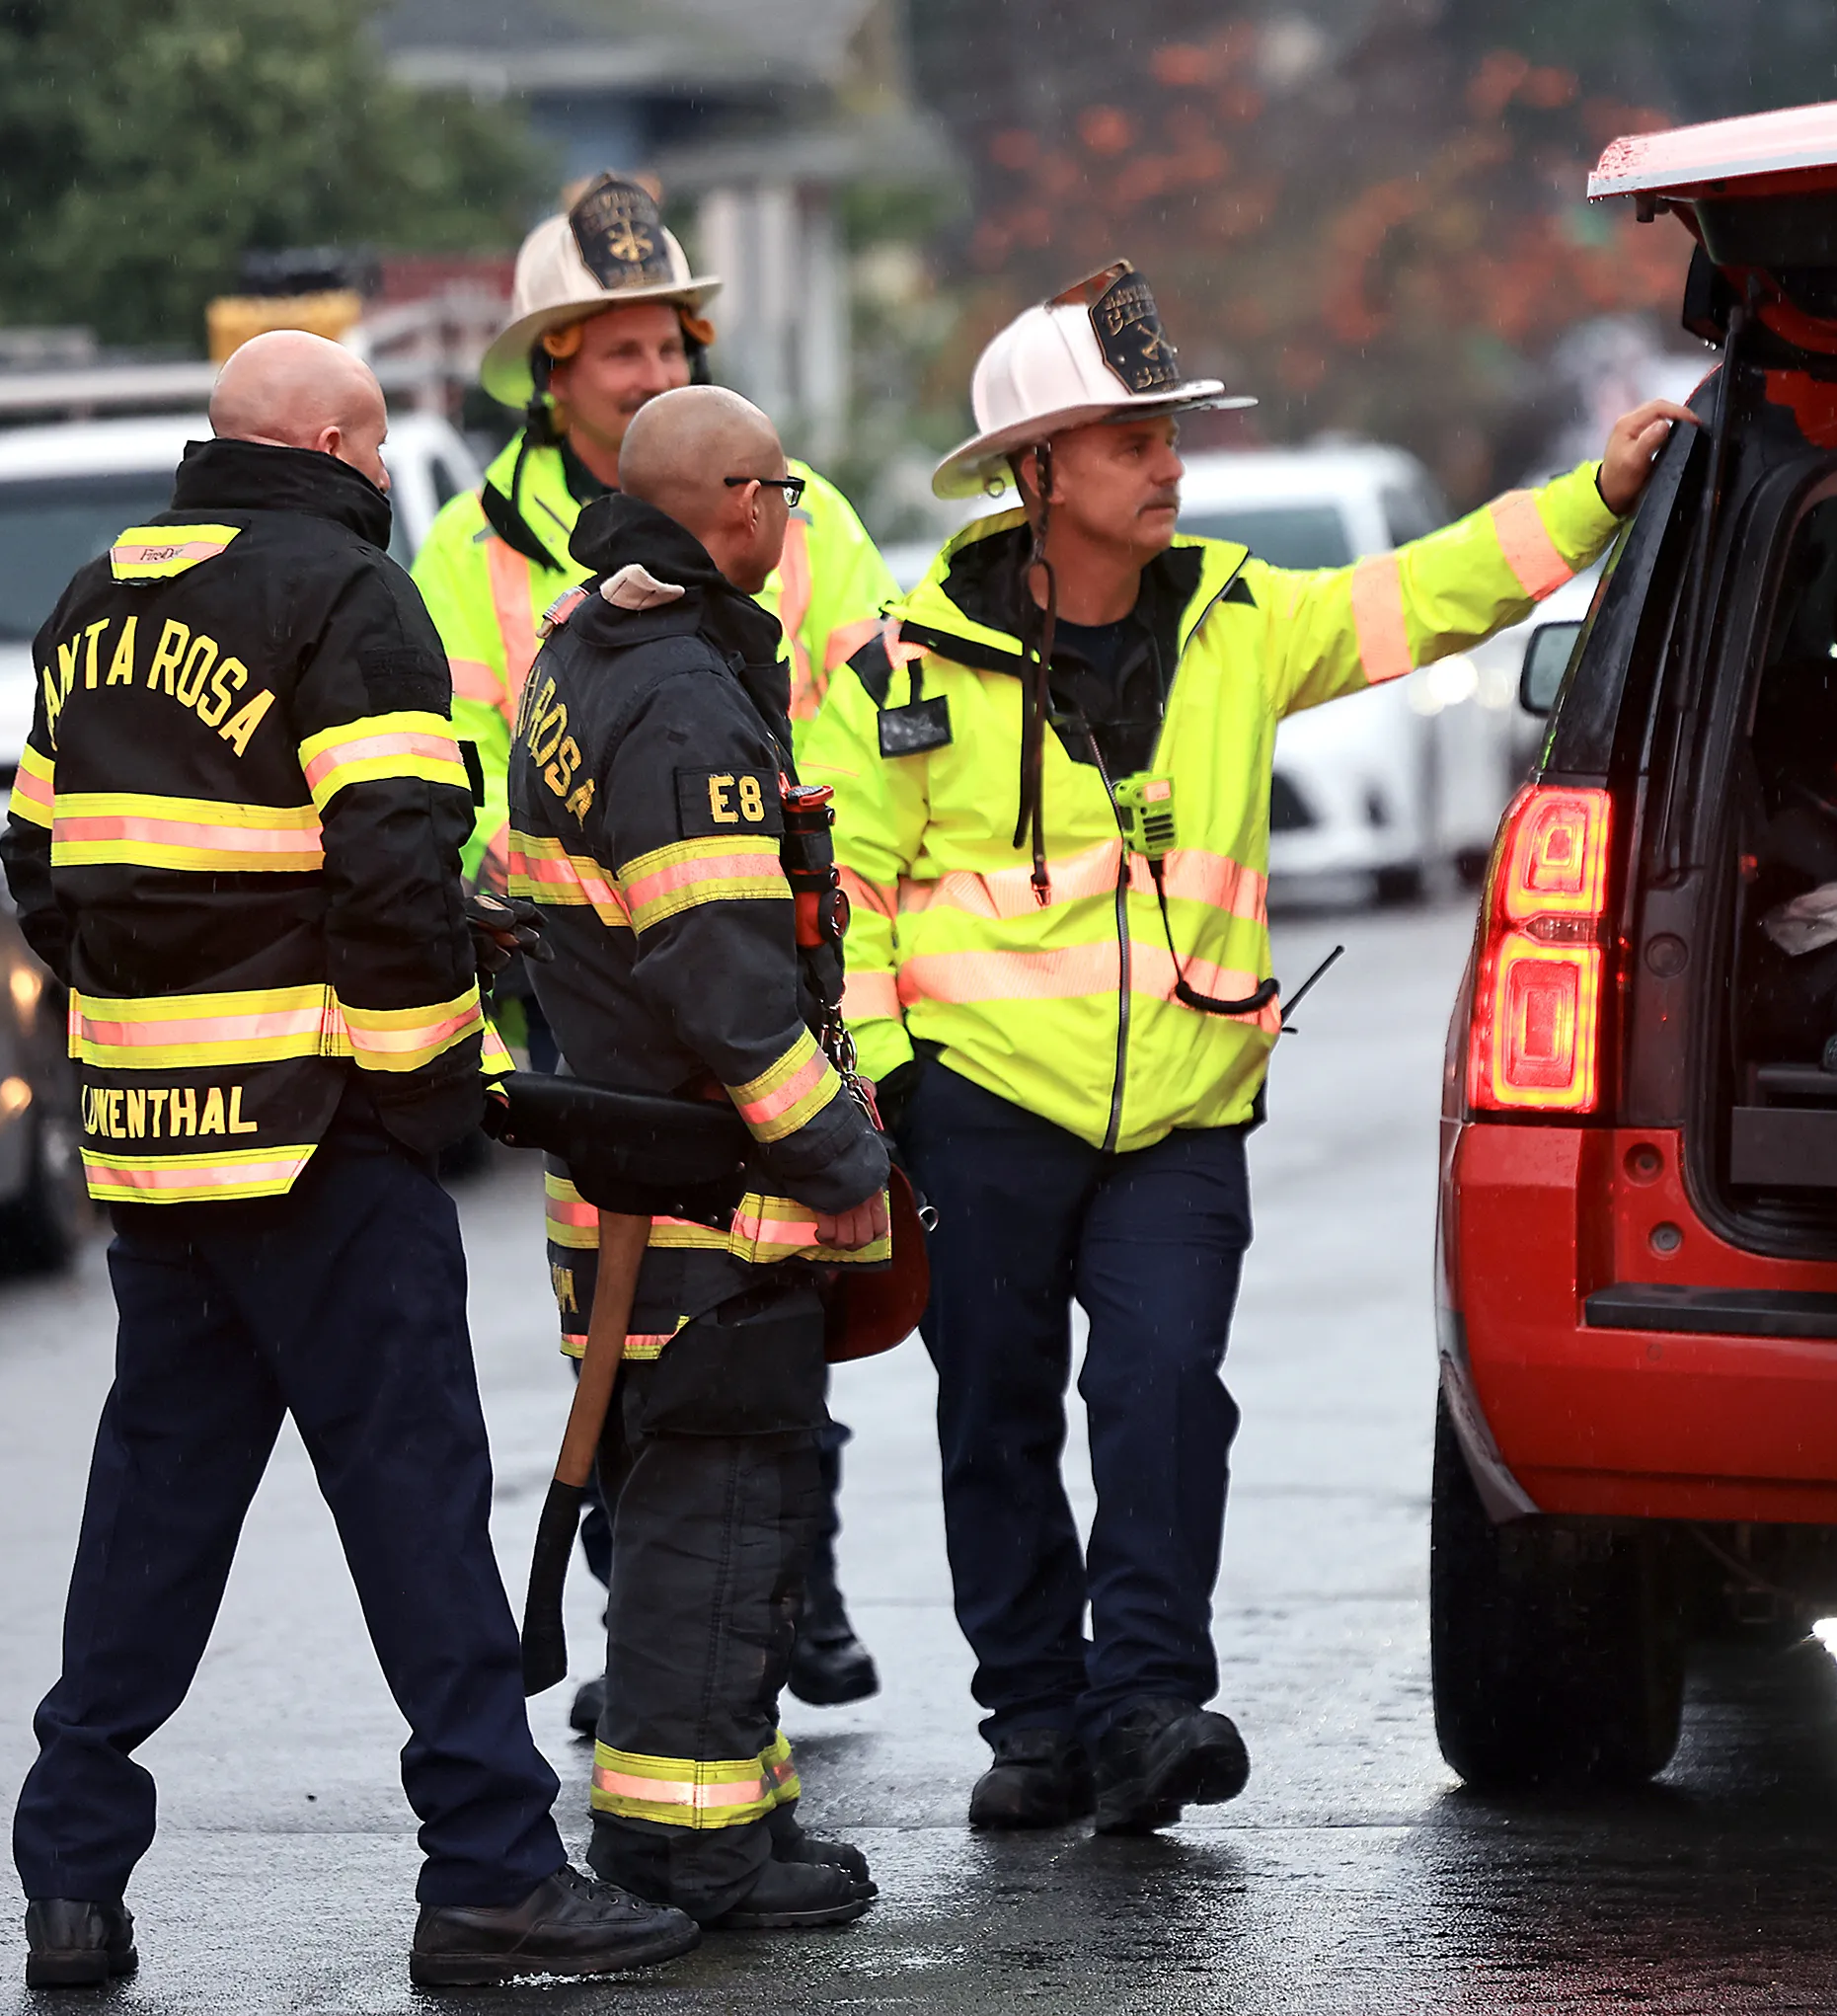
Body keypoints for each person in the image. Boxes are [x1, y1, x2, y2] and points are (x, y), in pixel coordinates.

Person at [800, 259, 1689, 1833]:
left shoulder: (1240, 620)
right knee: (996, 1417)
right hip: (976, 1116)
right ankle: (1035, 1718)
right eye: (1132, 440)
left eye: (1168, 437)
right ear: (1036, 471)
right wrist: (896, 1087)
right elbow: (848, 888)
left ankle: (1148, 1704)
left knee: (1163, 1398)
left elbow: (1429, 592)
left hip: (1184, 1116)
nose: (1171, 465)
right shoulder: (899, 671)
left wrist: (1597, 496)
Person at [1, 331, 696, 1990]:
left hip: (156, 1160)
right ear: (327, 446)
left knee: (154, 1514)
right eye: (377, 448)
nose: (387, 475)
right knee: (415, 1505)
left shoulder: (94, 601)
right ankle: (492, 1872)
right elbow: (392, 872)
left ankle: (72, 1878)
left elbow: (42, 863)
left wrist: (163, 1019)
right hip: (325, 1147)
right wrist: (426, 1093)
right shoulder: (349, 596)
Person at [415, 171, 899, 1726]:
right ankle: (679, 1639)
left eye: (671, 344)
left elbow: (878, 710)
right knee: (681, 1327)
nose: (653, 369)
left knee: (767, 1312)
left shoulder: (786, 505)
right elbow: (444, 770)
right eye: (620, 348)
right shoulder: (472, 553)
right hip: (611, 982)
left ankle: (769, 1595)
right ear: (553, 369)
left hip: (774, 944)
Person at [507, 386, 903, 1929]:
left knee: (691, 1514)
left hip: (626, 1181)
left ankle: (716, 1817)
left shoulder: (587, 650)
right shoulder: (680, 697)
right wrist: (839, 1151)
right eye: (784, 493)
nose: (790, 518)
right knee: (721, 1518)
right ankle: (701, 1854)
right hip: (708, 1193)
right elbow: (725, 976)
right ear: (741, 503)